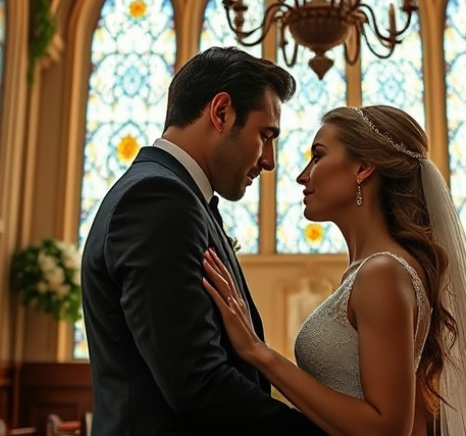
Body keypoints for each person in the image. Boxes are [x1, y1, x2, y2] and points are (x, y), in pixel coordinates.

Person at [203, 105, 466, 435]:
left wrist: (260, 353)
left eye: (318, 156)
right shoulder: (371, 271)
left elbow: (387, 428)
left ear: (363, 167)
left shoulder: (383, 272)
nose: (303, 175)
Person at [81, 47, 326, 436]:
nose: (270, 161)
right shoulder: (159, 200)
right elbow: (198, 384)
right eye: (266, 136)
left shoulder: (174, 195)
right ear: (222, 113)